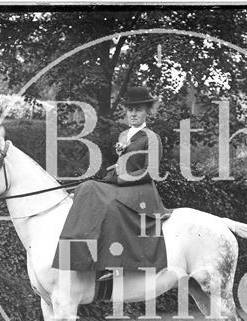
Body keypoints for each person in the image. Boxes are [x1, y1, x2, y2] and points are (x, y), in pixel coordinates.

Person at [52, 86, 171, 275]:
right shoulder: (124, 136)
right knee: (86, 187)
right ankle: (78, 256)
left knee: (110, 206)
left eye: (138, 110)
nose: (133, 114)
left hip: (141, 190)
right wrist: (114, 172)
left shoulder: (152, 137)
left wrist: (120, 178)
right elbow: (122, 164)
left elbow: (151, 172)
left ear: (147, 111)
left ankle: (113, 264)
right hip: (121, 185)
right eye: (130, 109)